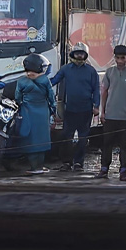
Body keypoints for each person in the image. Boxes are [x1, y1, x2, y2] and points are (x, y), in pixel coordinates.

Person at [50, 43, 100, 171]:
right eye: (77, 53)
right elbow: (54, 81)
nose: (79, 56)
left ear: (85, 55)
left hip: (86, 109)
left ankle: (78, 162)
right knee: (67, 137)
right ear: (73, 54)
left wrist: (96, 106)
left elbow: (96, 89)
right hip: (70, 109)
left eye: (82, 54)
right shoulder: (66, 69)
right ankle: (66, 162)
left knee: (83, 138)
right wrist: (39, 83)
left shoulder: (91, 71)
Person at [99, 45, 126, 181]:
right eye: (117, 58)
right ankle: (104, 169)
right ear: (114, 58)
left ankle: (123, 171)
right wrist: (102, 111)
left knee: (124, 145)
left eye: (122, 58)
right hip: (110, 114)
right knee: (107, 144)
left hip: (124, 116)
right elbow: (104, 92)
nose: (120, 61)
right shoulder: (110, 72)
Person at [15, 53, 56, 174]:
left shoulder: (21, 81)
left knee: (30, 138)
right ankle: (40, 166)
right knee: (42, 139)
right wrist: (53, 110)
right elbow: (51, 97)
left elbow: (17, 97)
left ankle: (33, 167)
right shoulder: (45, 80)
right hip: (43, 112)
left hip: (27, 111)